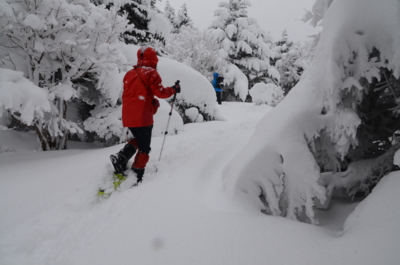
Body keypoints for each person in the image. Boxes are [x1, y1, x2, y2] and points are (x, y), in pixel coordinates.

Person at [110, 47, 180, 183]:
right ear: (153, 58)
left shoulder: (129, 73)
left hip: (128, 114)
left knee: (137, 138)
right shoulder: (152, 73)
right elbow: (161, 93)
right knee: (144, 147)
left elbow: (131, 94)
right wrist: (174, 89)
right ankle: (137, 173)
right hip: (142, 115)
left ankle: (121, 158)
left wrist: (149, 99)